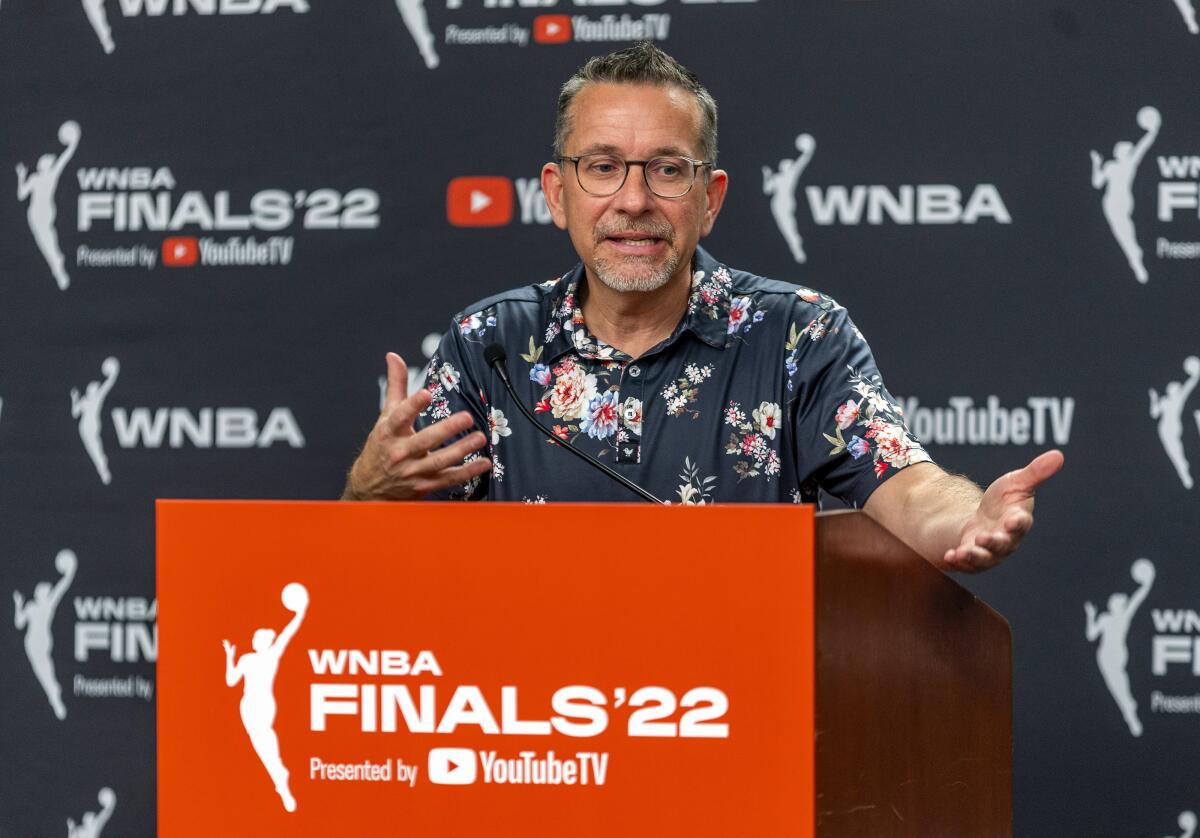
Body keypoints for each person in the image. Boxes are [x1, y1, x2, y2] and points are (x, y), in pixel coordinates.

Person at [343, 43, 1062, 573]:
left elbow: (907, 486)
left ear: (708, 199)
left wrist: (969, 517)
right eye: (602, 167)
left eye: (666, 170)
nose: (633, 200)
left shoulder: (798, 335)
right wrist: (365, 493)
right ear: (557, 193)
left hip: (730, 713)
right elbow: (377, 562)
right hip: (536, 730)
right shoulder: (488, 343)